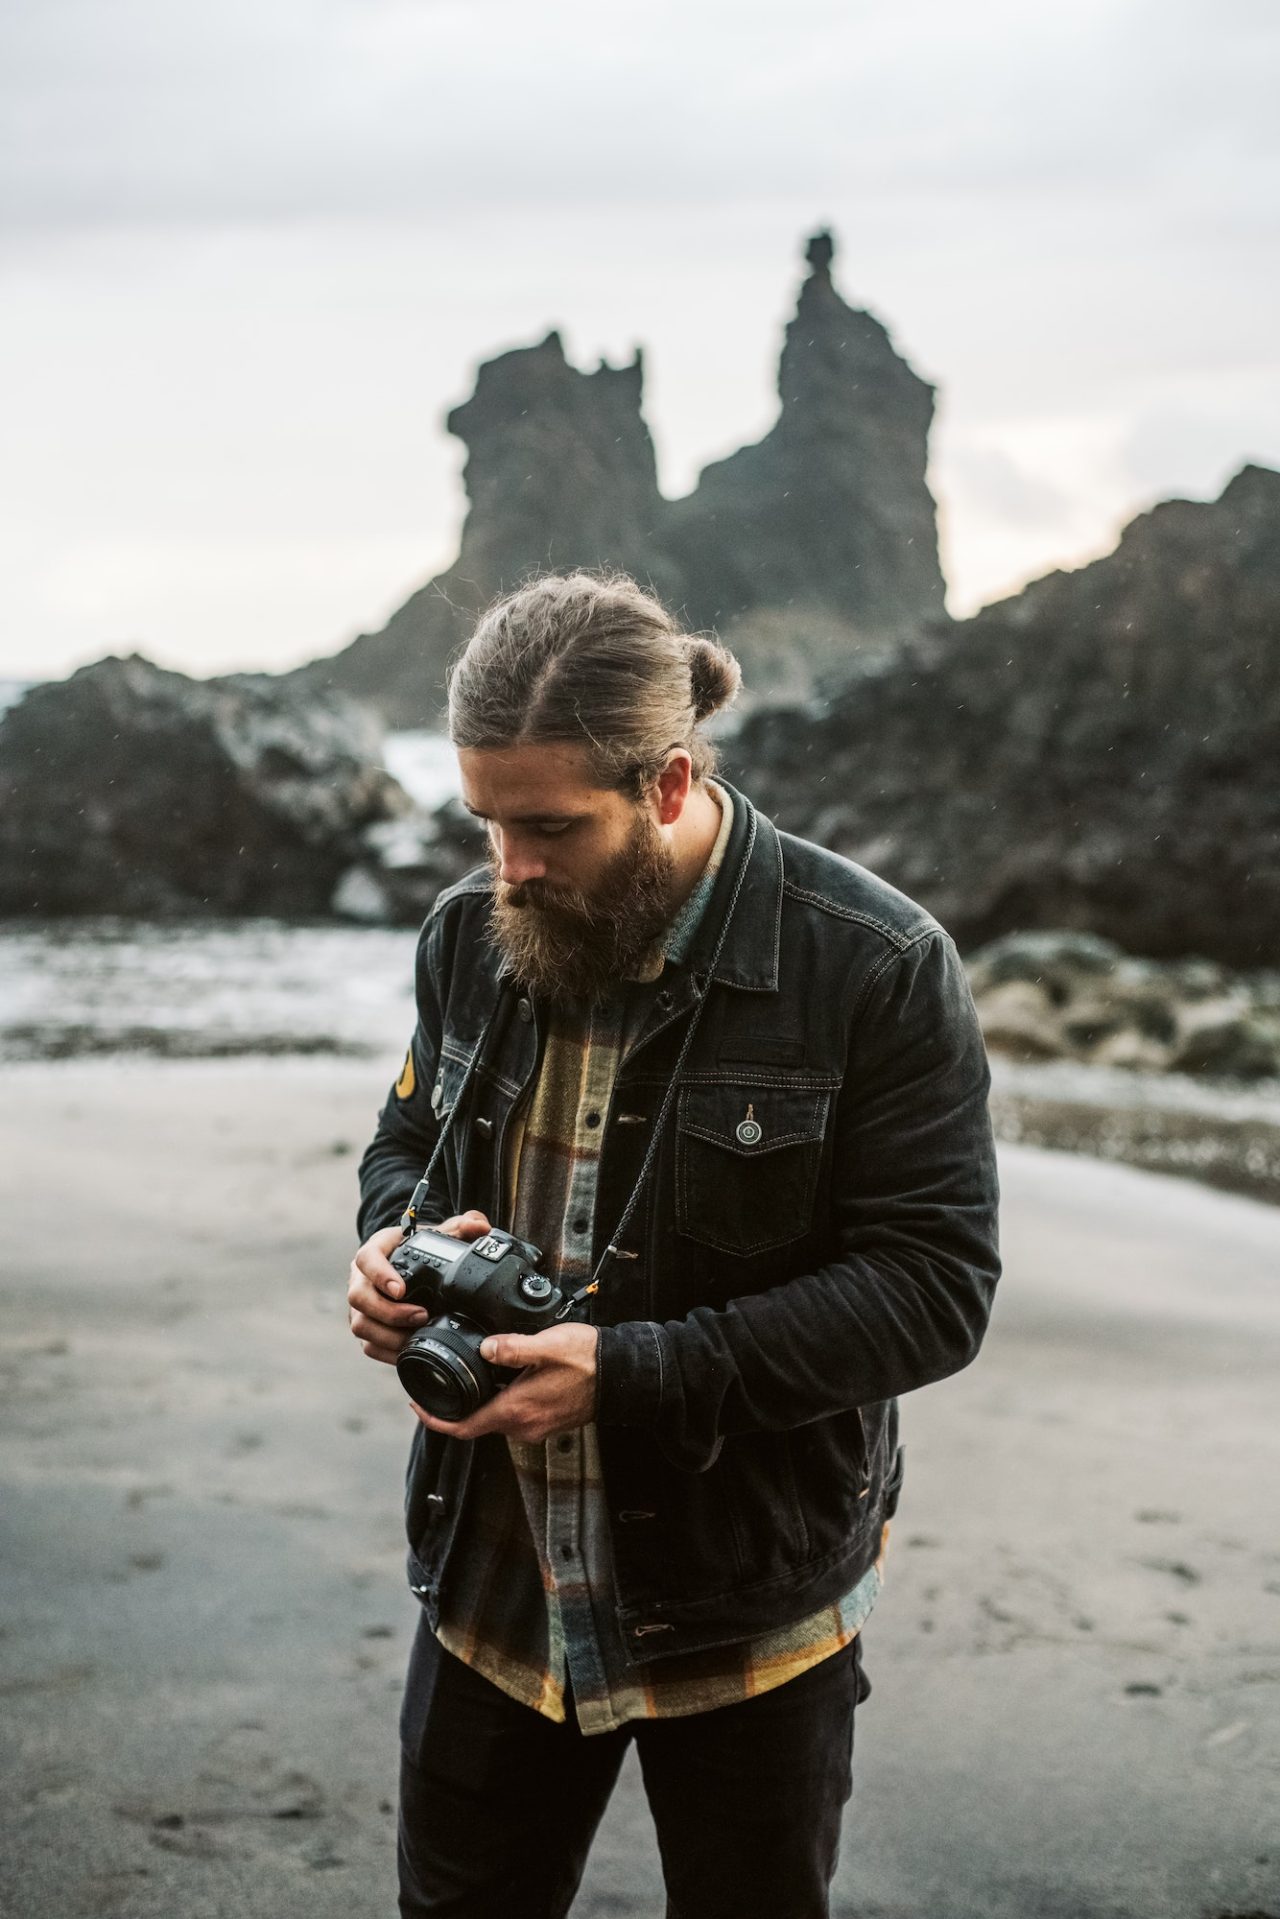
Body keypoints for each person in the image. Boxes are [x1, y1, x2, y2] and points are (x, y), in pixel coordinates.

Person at [347, 570, 1001, 1919]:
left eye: (547, 828)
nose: (508, 867)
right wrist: (390, 1247)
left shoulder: (874, 964)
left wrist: (636, 1371)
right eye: (487, 823)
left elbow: (936, 1290)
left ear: (666, 784)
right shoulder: (470, 933)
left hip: (748, 1610)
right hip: (493, 1585)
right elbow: (404, 1145)